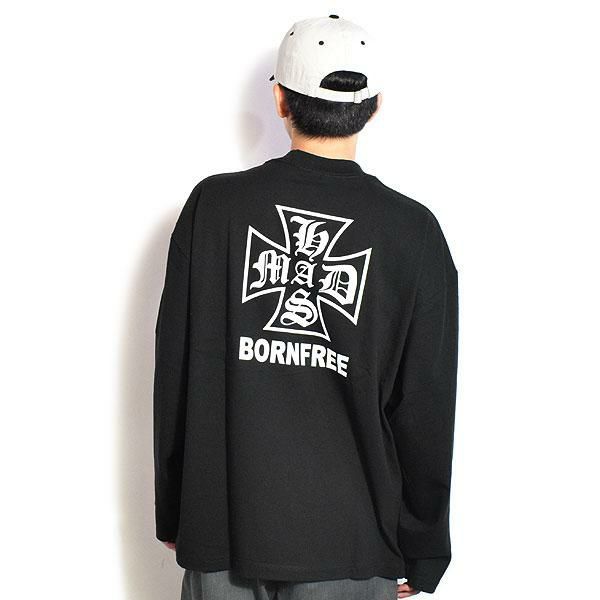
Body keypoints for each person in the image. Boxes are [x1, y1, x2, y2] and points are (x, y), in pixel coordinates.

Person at [153, 14, 459, 600]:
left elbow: (175, 372)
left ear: (279, 100)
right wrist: (421, 550)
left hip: (223, 529)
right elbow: (425, 407)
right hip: (352, 546)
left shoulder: (214, 208)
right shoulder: (412, 233)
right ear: (374, 106)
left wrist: (177, 509)